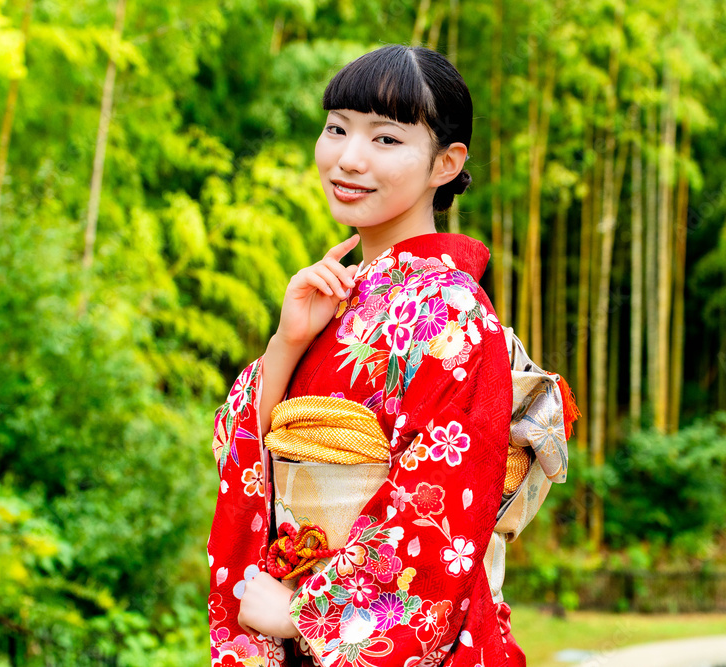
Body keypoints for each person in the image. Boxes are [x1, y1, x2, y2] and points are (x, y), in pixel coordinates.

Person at [208, 44, 578, 667]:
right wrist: (287, 342)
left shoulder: (454, 316)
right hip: (290, 612)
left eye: (385, 139)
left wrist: (305, 615)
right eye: (337, 129)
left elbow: (440, 507)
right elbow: (238, 446)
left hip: (355, 630)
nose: (349, 158)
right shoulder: (334, 297)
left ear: (445, 163)